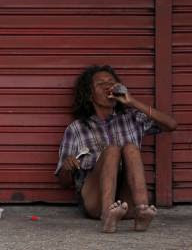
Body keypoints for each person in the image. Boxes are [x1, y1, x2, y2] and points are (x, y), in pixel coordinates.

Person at [55, 65, 178, 233]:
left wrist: (132, 102)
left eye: (111, 82)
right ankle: (108, 215)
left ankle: (142, 211)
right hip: (95, 201)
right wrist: (67, 167)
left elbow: (171, 125)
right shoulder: (77, 129)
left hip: (128, 202)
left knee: (131, 149)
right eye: (100, 84)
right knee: (112, 151)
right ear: (89, 94)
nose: (108, 86)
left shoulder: (131, 118)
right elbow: (64, 182)